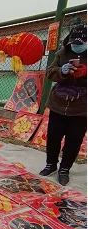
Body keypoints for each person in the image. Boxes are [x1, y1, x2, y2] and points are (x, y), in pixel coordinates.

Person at [39, 24, 87, 186]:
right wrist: (62, 71)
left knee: (74, 139)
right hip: (58, 103)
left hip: (81, 107)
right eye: (74, 43)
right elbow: (50, 72)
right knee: (53, 136)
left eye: (81, 44)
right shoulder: (62, 53)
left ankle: (65, 169)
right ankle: (51, 164)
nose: (77, 47)